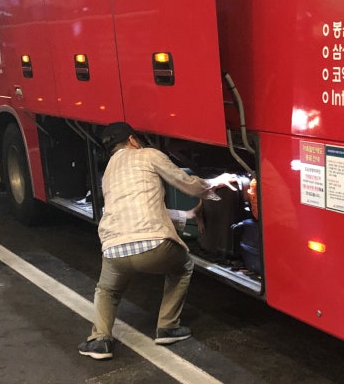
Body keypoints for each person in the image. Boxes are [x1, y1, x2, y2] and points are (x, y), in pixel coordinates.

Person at [78, 121, 237, 360]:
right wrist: (215, 183)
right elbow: (187, 184)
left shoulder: (109, 170)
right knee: (183, 266)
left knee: (107, 290)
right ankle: (167, 327)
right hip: (153, 249)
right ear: (133, 140)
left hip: (113, 250)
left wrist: (187, 215)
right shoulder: (148, 155)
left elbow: (135, 210)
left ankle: (100, 340)